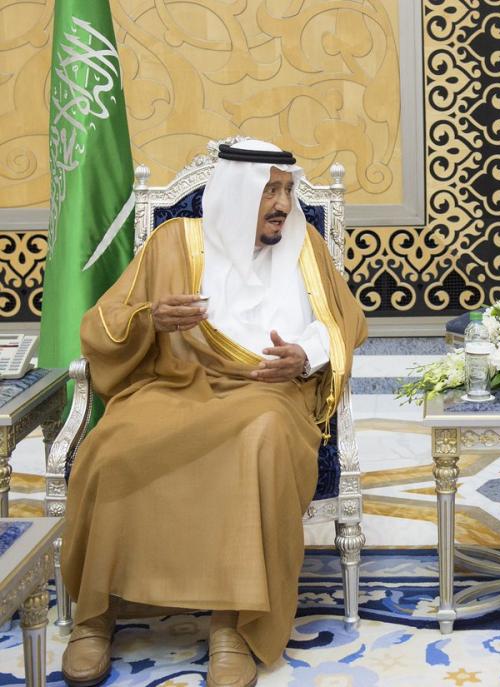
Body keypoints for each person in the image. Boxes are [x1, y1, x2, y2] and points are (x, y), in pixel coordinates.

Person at [59, 139, 367, 687]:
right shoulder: (175, 241)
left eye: (287, 190)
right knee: (112, 446)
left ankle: (235, 625)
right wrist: (151, 319)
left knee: (259, 439)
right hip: (175, 384)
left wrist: (306, 355)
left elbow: (346, 321)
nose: (283, 204)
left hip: (269, 393)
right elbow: (104, 322)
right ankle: (96, 615)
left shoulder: (305, 245)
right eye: (270, 191)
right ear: (236, 194)